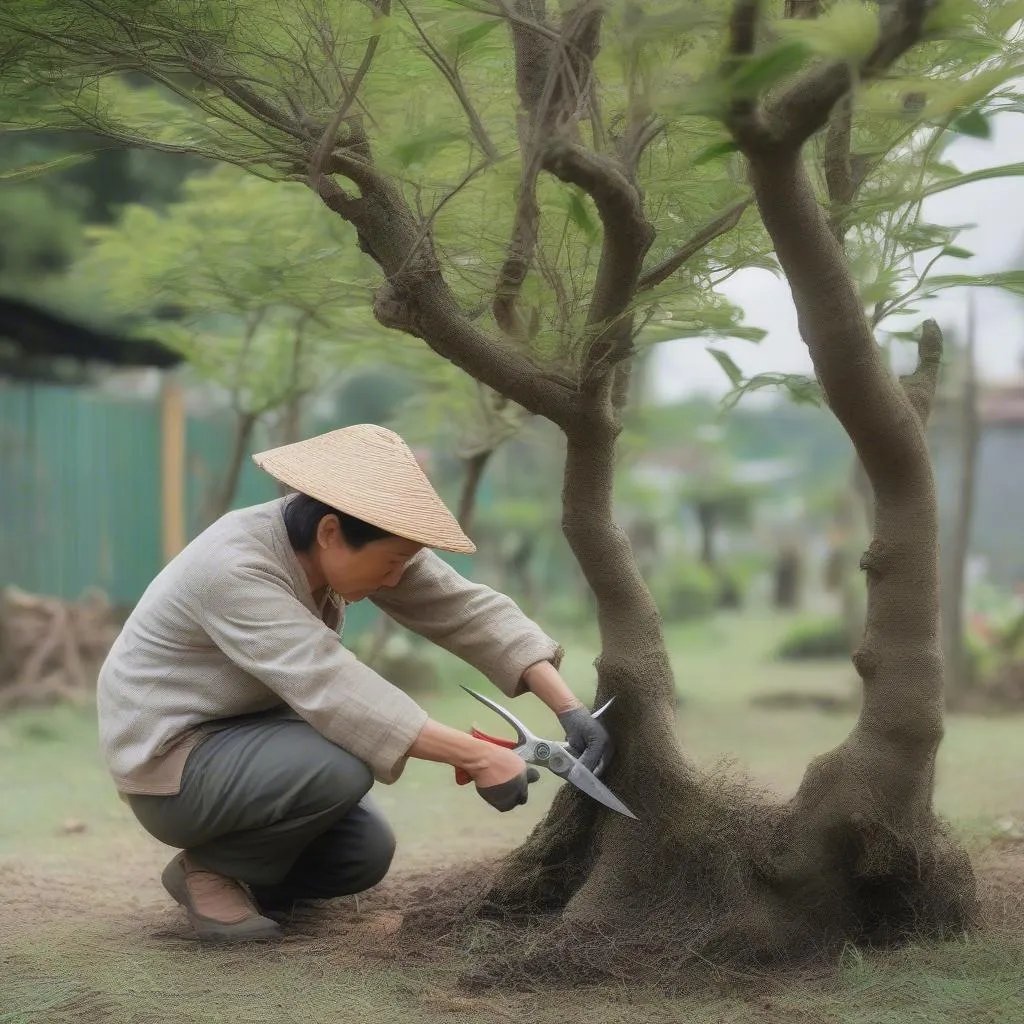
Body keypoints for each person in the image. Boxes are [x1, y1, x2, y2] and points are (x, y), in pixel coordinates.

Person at [97, 423, 612, 943]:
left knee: (361, 854)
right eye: (391, 563)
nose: (397, 578)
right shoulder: (235, 569)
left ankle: (237, 873)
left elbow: (463, 609)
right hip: (173, 764)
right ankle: (206, 873)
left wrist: (568, 708)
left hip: (251, 743)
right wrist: (476, 757)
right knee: (339, 770)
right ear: (328, 532)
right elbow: (334, 686)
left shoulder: (355, 537)